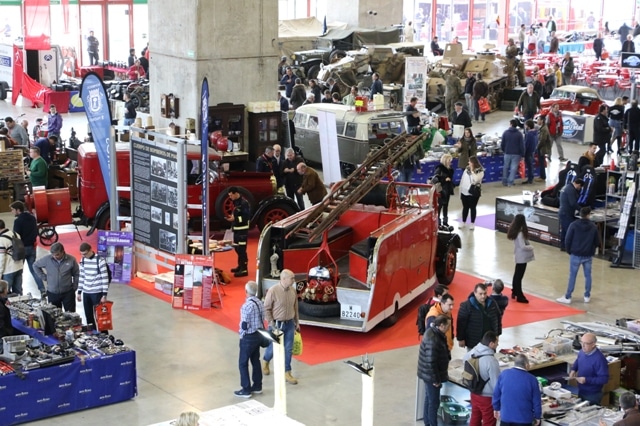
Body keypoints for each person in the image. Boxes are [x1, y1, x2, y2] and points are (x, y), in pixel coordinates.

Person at [262, 269, 300, 385]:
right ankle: (266, 361)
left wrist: (297, 322)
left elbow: (295, 308)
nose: (294, 280)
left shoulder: (293, 291)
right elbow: (266, 308)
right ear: (283, 279)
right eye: (292, 278)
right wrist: (271, 324)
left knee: (288, 349)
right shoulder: (273, 291)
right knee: (274, 348)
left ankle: (287, 372)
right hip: (276, 325)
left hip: (289, 324)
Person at [557, 207, 601, 304]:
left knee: (572, 275)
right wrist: (592, 250)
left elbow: (567, 239)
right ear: (589, 214)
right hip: (588, 255)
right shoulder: (593, 226)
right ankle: (587, 295)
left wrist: (569, 251)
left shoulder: (573, 225)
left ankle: (568, 296)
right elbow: (597, 241)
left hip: (575, 254)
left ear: (580, 214)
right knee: (588, 275)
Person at [417, 315, 451, 426]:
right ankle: (432, 423)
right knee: (434, 403)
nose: (448, 329)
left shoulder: (434, 333)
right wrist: (436, 380)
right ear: (441, 326)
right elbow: (431, 362)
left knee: (429, 399)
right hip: (431, 376)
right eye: (447, 326)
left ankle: (427, 423)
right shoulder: (433, 339)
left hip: (427, 374)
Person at [492, 354, 542, 426]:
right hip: (524, 419)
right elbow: (537, 401)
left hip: (506, 418)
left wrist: (496, 408)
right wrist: (537, 416)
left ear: (514, 363)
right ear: (526, 364)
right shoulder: (532, 379)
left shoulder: (504, 374)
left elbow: (496, 394)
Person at [464, 331, 501, 426]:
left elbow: (464, 362)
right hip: (487, 398)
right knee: (489, 422)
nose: (498, 344)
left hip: (474, 393)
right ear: (491, 344)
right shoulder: (491, 361)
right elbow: (496, 384)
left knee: (475, 418)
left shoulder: (472, 352)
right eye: (497, 342)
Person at [235, 281, 265, 398]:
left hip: (248, 337)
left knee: (243, 363)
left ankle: (246, 388)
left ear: (246, 291)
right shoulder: (259, 302)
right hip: (258, 335)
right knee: (255, 360)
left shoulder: (246, 306)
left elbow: (244, 324)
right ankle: (257, 385)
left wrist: (241, 335)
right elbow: (263, 317)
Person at [10, 201, 45, 296]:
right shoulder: (32, 218)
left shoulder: (18, 221)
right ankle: (42, 289)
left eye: (13, 209)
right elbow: (35, 231)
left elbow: (16, 236)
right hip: (32, 247)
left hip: (22, 249)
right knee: (34, 270)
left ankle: (19, 293)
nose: (12, 211)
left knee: (19, 271)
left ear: (18, 210)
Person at [33, 242, 80, 312]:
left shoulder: (71, 260)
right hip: (52, 293)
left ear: (63, 252)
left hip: (68, 293)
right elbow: (35, 265)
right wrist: (44, 277)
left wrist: (75, 286)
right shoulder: (47, 259)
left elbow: (76, 274)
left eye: (57, 255)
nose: (55, 257)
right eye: (53, 255)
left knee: (71, 315)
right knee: (54, 316)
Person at [457, 283, 502, 350]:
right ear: (475, 293)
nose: (483, 296)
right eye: (480, 294)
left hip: (489, 341)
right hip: (473, 342)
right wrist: (461, 339)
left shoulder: (492, 303)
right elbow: (461, 324)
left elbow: (498, 319)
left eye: (485, 293)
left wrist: (497, 334)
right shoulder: (467, 306)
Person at [567, 332, 609, 404]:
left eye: (586, 343)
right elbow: (578, 360)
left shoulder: (599, 359)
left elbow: (604, 379)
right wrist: (573, 370)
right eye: (581, 342)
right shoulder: (582, 351)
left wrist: (586, 380)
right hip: (581, 390)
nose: (582, 346)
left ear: (593, 344)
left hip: (592, 394)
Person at [76, 242, 109, 330]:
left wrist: (104, 295)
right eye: (82, 254)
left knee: (100, 317)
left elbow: (105, 278)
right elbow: (82, 276)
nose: (84, 256)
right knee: (88, 317)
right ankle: (93, 335)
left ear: (91, 250)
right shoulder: (82, 260)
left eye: (85, 254)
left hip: (97, 293)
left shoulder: (100, 260)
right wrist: (79, 292)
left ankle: (104, 335)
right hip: (86, 292)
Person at [507, 214, 535, 303]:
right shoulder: (520, 233)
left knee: (517, 275)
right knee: (519, 276)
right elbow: (523, 246)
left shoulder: (516, 232)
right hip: (522, 257)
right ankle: (519, 295)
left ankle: (515, 291)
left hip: (519, 256)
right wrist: (531, 247)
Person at [225, 187, 250, 278]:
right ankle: (240, 266)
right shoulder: (235, 202)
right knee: (237, 248)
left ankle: (244, 269)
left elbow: (246, 217)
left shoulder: (244, 203)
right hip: (236, 229)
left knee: (242, 249)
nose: (230, 197)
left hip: (242, 230)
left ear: (236, 193)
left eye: (231, 195)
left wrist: (235, 219)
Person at [558, 178, 584, 251]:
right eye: (580, 187)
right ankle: (569, 247)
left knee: (564, 230)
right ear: (578, 184)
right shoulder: (571, 190)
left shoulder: (566, 187)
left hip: (562, 211)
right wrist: (581, 210)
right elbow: (573, 203)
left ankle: (563, 246)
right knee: (569, 231)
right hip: (567, 213)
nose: (580, 189)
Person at [459, 156, 484, 230]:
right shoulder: (466, 169)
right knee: (465, 207)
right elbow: (463, 179)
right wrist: (460, 189)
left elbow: (476, 179)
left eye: (470, 162)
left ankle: (472, 223)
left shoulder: (480, 171)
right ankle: (463, 221)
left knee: (472, 207)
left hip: (473, 192)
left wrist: (472, 171)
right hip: (464, 191)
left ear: (473, 163)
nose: (468, 163)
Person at [0, 219, 24, 295]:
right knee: (18, 292)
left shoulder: (1, 240)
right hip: (19, 266)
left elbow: (1, 259)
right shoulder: (15, 234)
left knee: (4, 294)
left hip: (8, 270)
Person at [501, 119, 524, 187]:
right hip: (516, 154)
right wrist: (522, 154)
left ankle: (504, 181)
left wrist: (504, 150)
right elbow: (522, 145)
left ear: (511, 124)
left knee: (505, 167)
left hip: (507, 153)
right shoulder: (519, 134)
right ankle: (510, 182)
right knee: (513, 168)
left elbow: (502, 144)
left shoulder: (505, 133)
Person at [434, 154, 454, 229]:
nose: (450, 162)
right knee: (440, 206)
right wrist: (444, 179)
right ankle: (438, 222)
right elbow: (435, 178)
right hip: (441, 189)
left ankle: (445, 221)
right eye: (449, 160)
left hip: (448, 189)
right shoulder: (439, 168)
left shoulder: (450, 169)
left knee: (446, 206)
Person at [535, 115, 551, 182]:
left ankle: (542, 177)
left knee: (541, 162)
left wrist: (537, 147)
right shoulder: (542, 127)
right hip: (541, 148)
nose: (537, 121)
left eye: (538, 120)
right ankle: (542, 175)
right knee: (541, 162)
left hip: (542, 148)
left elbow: (542, 140)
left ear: (542, 121)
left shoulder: (544, 129)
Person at [522, 119, 537, 185]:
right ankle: (531, 177)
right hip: (533, 151)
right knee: (531, 165)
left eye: (525, 125)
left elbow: (526, 145)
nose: (525, 127)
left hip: (528, 152)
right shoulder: (535, 133)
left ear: (528, 126)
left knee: (529, 166)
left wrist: (523, 153)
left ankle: (530, 179)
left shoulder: (529, 134)